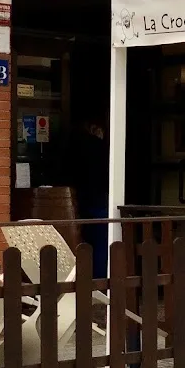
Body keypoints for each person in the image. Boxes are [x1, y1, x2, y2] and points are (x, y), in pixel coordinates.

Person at [71, 116, 110, 279]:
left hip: (83, 200)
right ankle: (100, 280)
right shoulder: (100, 148)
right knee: (102, 242)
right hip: (99, 199)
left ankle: (88, 279)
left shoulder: (76, 147)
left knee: (87, 241)